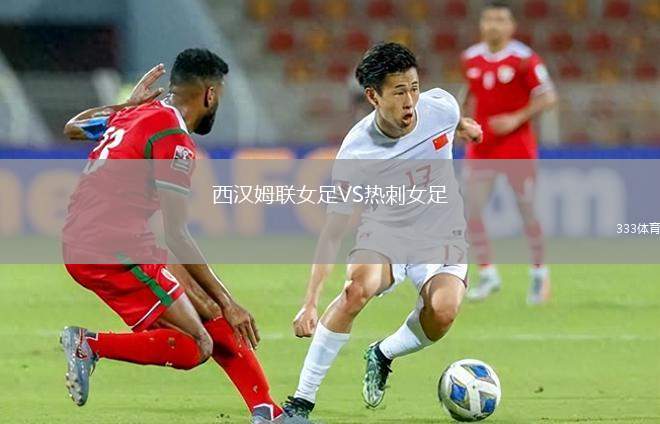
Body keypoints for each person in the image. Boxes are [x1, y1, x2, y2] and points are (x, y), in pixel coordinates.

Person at [61, 49, 308, 424]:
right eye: (219, 97)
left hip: (102, 239)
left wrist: (125, 105)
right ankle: (89, 344)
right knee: (196, 345)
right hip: (111, 248)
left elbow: (73, 127)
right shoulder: (173, 139)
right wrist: (231, 301)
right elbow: (176, 234)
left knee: (205, 304)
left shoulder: (137, 113)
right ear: (210, 94)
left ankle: (266, 412)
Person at [281, 42, 483, 419]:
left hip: (444, 235)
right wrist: (310, 301)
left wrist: (464, 126)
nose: (410, 101)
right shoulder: (357, 151)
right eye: (399, 92)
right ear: (373, 96)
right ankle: (301, 402)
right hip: (386, 234)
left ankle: (383, 353)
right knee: (356, 290)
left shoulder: (441, 107)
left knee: (442, 313)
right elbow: (332, 232)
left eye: (414, 88)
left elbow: (450, 119)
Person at [460, 0, 558, 304]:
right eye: (489, 19)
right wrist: (461, 122)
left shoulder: (524, 59)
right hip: (482, 145)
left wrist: (516, 118)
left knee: (526, 209)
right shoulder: (470, 58)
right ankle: (488, 274)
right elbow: (469, 91)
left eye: (501, 20)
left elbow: (548, 97)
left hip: (516, 145)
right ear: (481, 25)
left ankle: (539, 275)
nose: (494, 25)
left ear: (512, 26)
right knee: (470, 210)